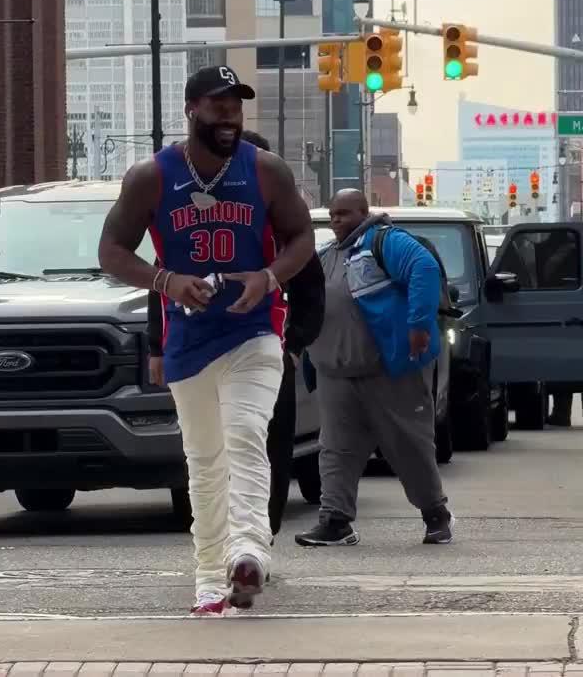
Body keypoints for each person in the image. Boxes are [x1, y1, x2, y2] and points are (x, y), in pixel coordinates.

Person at [99, 65, 314, 616]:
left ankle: (249, 553)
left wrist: (269, 277)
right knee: (204, 458)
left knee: (245, 434)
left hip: (255, 328)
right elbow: (112, 251)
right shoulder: (153, 176)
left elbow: (301, 237)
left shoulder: (266, 171)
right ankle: (209, 578)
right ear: (192, 108)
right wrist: (165, 280)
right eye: (219, 105)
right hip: (188, 337)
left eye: (236, 105)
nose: (230, 115)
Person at [146, 129, 326, 539]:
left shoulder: (286, 235)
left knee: (266, 444)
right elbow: (158, 290)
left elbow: (312, 293)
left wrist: (293, 347)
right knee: (210, 450)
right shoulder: (183, 226)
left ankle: (260, 536)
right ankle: (221, 539)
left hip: (264, 347)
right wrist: (157, 348)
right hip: (198, 348)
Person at [295, 189, 454, 549]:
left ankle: (436, 515)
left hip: (388, 370)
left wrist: (418, 324)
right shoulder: (326, 257)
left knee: (409, 447)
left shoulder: (385, 242)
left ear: (364, 212)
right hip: (335, 372)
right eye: (333, 214)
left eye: (346, 214)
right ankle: (335, 522)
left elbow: (424, 269)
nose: (337, 220)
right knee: (335, 449)